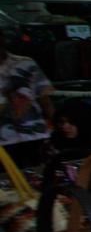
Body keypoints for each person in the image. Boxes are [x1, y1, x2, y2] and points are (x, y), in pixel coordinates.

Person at [0, 30, 55, 168]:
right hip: (3, 142)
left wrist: (55, 124)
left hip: (35, 136)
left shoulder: (26, 63)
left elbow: (45, 96)